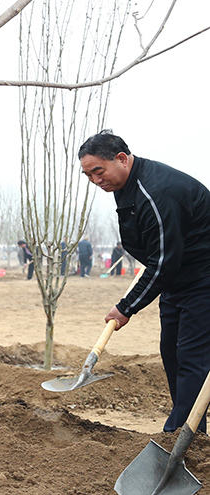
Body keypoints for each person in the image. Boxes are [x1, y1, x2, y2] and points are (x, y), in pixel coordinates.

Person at [79, 130, 210, 433]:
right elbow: (159, 257)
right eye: (89, 176)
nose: (96, 180)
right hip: (178, 281)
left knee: (192, 360)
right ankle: (192, 434)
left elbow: (163, 262)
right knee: (173, 354)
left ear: (122, 159)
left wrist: (127, 307)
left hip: (203, 279)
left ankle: (178, 437)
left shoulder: (157, 192)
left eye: (99, 171)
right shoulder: (128, 187)